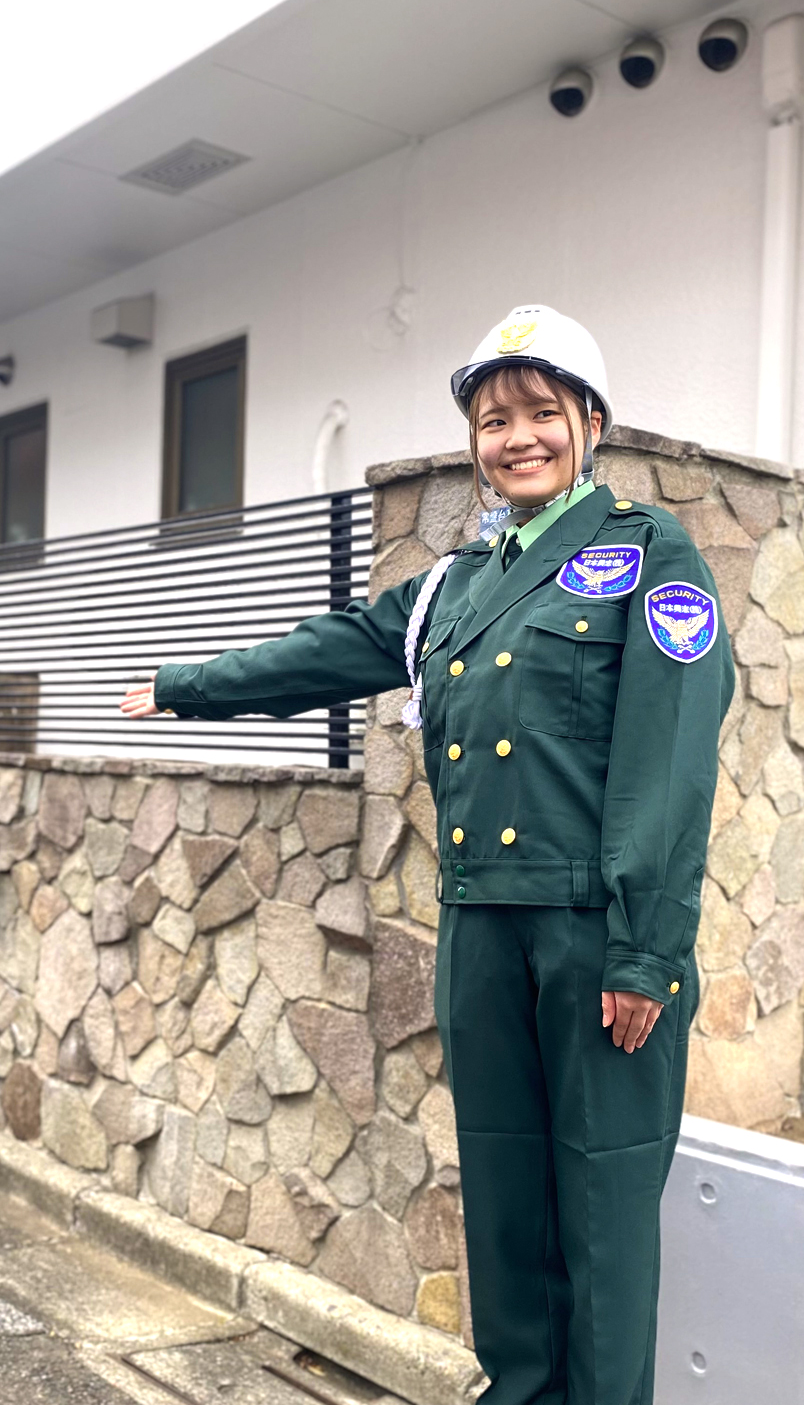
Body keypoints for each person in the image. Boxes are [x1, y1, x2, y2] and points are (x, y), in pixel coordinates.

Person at [122, 305, 733, 1405]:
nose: (517, 438)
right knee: (504, 1202)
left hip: (597, 935)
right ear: (473, 447)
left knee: (598, 1213)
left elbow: (670, 761)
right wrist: (186, 685)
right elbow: (329, 649)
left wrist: (647, 950)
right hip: (480, 931)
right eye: (493, 420)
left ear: (591, 424)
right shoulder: (455, 584)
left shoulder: (651, 553)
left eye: (542, 412)